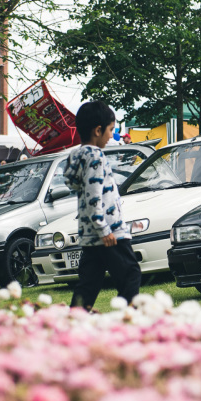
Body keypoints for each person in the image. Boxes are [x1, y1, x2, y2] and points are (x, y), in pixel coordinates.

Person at [65, 101, 141, 311]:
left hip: (89, 236)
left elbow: (74, 184)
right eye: (110, 130)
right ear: (98, 130)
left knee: (88, 284)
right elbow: (93, 196)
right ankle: (128, 319)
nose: (111, 136)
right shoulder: (95, 156)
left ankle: (74, 320)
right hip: (109, 233)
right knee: (130, 274)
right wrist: (104, 229)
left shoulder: (76, 155)